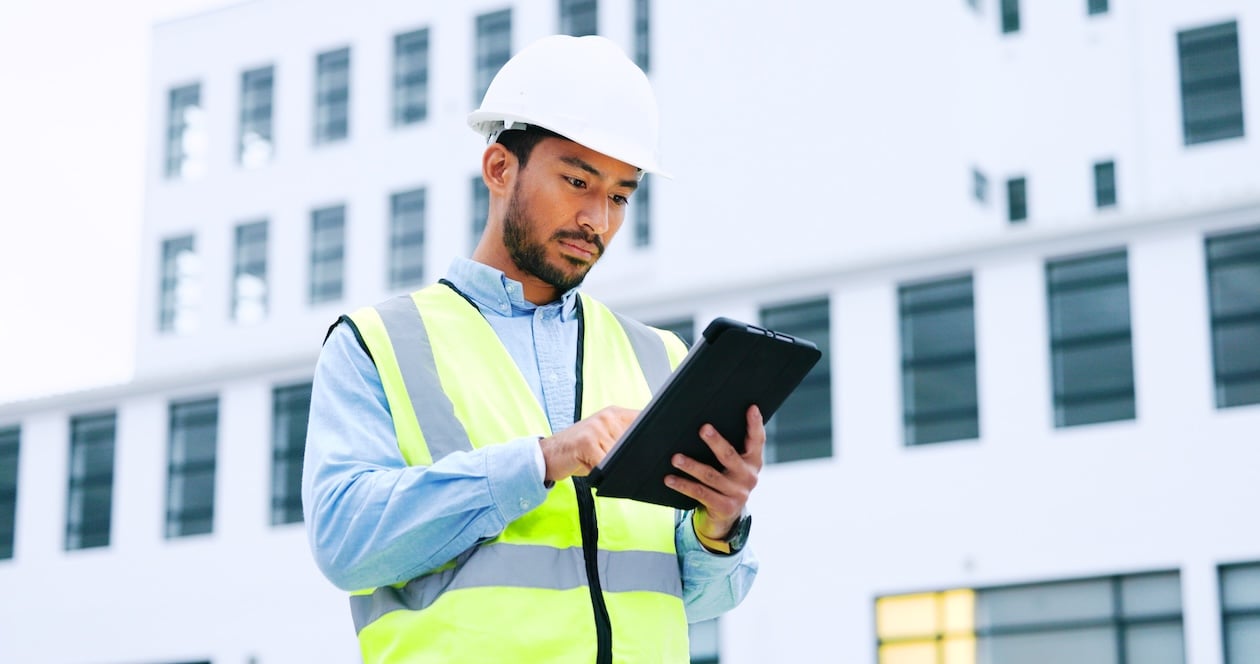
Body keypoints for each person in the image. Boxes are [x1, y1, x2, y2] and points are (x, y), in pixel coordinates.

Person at [302, 34, 760, 664]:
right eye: (578, 181)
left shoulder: (660, 357)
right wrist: (541, 461)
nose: (598, 220)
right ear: (499, 169)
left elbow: (703, 599)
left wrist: (719, 525)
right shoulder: (378, 344)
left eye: (621, 195)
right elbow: (346, 544)